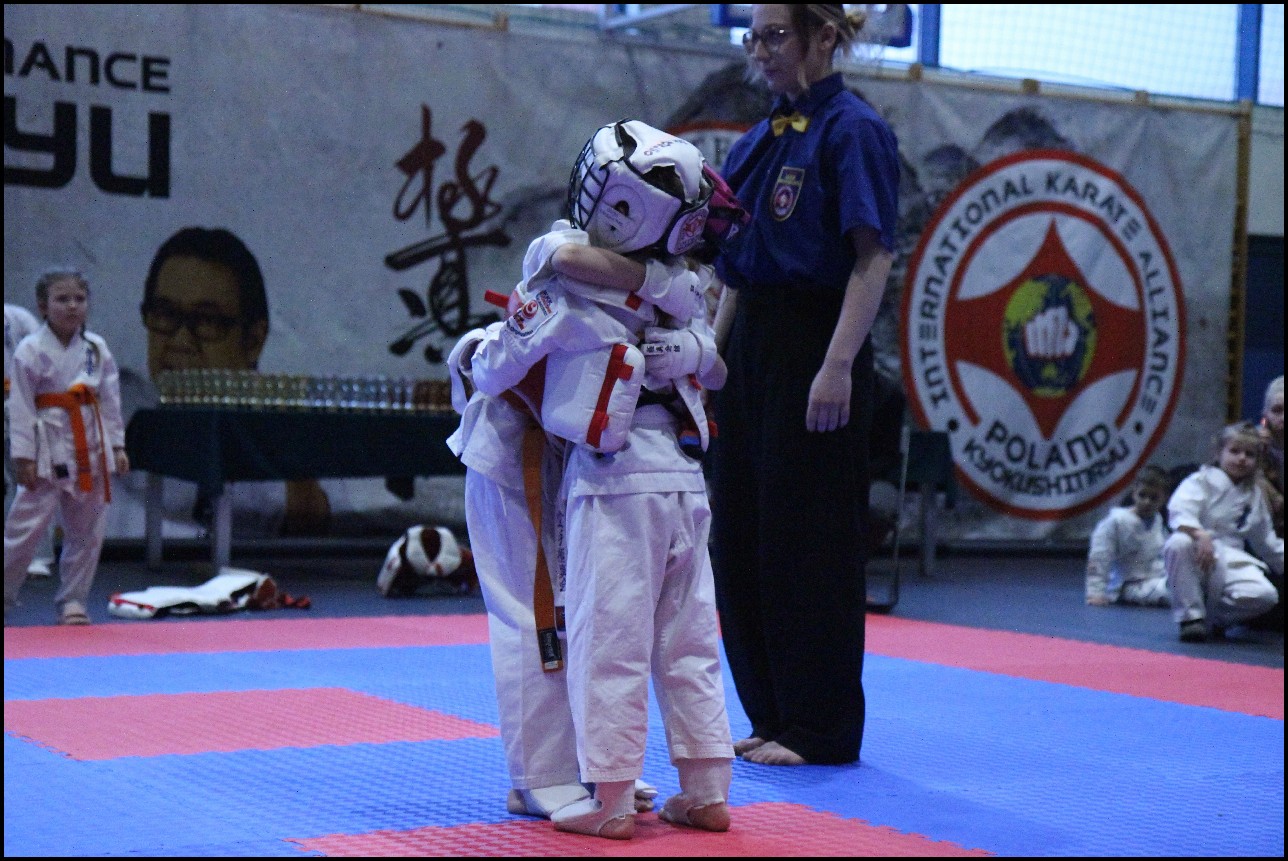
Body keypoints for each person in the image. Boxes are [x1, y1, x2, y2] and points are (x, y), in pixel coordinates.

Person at [464, 119, 735, 840]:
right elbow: (712, 365)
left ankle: (598, 787)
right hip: (659, 475)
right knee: (676, 638)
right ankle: (688, 785)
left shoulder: (572, 281)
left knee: (591, 631)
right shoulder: (679, 291)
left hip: (603, 477)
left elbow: (493, 366)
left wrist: (479, 348)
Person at [708, 4, 899, 766]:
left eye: (775, 35)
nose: (760, 51)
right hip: (749, 348)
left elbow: (872, 256)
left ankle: (820, 725)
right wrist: (708, 361)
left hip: (816, 340)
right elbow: (733, 271)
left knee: (808, 540)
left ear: (824, 37)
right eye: (752, 37)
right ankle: (772, 712)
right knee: (740, 536)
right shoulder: (757, 140)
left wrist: (837, 363)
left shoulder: (854, 130)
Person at [135, 226, 329, 536]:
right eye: (165, 314)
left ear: (253, 341)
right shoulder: (121, 415)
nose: (181, 341)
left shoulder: (293, 443)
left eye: (207, 320)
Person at [4, 268, 129, 625]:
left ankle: (73, 600)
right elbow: (21, 405)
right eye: (62, 299)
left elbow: (110, 400)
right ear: (43, 306)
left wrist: (116, 447)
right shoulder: (30, 349)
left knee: (87, 531)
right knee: (22, 530)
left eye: (79, 299)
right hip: (47, 446)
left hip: (90, 444)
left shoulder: (96, 348)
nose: (72, 306)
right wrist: (23, 456)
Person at [1163, 421, 1282, 642]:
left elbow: (1267, 542)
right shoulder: (1200, 481)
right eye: (1234, 451)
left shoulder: (1254, 494)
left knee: (1265, 595)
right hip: (1195, 552)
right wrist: (1200, 534)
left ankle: (1214, 619)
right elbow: (1180, 511)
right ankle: (1190, 619)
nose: (1242, 458)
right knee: (1178, 542)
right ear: (1219, 453)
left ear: (1257, 461)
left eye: (1249, 454)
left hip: (1230, 557)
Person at [5, 302, 57, 578]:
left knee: (32, 484)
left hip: (21, 408)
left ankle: (37, 555)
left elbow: (42, 361)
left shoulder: (18, 319)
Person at [1084, 464, 1171, 607]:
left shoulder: (1158, 520)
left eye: (1154, 498)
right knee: (1176, 592)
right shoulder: (1116, 521)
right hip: (1129, 585)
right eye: (1142, 495)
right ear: (1134, 491)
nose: (1147, 502)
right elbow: (1100, 557)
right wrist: (1096, 592)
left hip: (1157, 579)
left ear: (1165, 498)